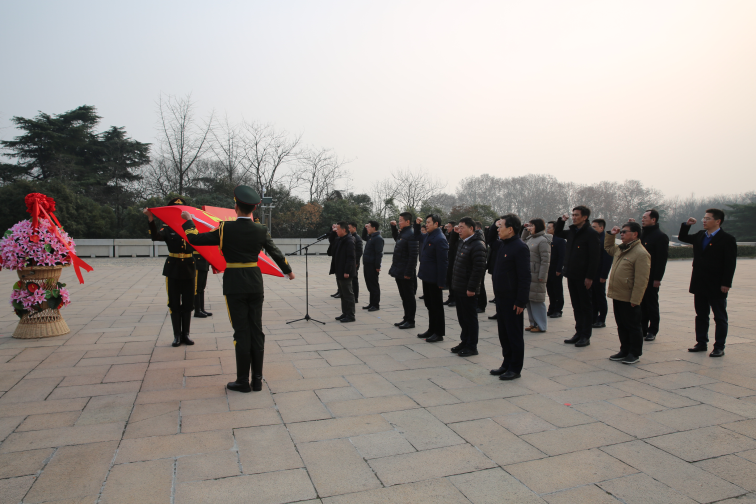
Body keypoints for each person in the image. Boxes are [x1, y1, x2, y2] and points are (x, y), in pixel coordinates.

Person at [180, 186, 294, 393]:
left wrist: (188, 220)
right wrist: (288, 270)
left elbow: (195, 239)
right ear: (253, 209)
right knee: (256, 329)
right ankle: (257, 380)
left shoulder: (225, 228)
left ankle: (243, 381)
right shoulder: (260, 229)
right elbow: (275, 252)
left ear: (236, 206)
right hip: (254, 282)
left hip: (234, 283)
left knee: (241, 331)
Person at [678, 209, 737, 357]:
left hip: (717, 284)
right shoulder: (700, 235)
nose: (704, 221)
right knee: (701, 315)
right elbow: (683, 237)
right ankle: (701, 342)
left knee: (720, 317)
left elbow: (730, 264)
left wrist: (726, 283)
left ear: (718, 221)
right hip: (699, 282)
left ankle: (719, 346)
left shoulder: (727, 239)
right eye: (704, 218)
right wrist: (687, 224)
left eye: (708, 218)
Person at [144, 197, 196, 348]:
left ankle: (186, 334)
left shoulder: (191, 226)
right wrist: (150, 218)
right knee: (174, 303)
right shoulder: (167, 228)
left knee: (188, 303)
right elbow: (155, 237)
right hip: (173, 269)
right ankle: (177, 336)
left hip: (189, 268)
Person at [489, 214, 531, 381]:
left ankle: (515, 367)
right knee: (503, 334)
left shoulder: (520, 247)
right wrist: (496, 221)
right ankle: (506, 363)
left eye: (501, 226)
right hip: (501, 297)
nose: (499, 229)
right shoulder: (502, 245)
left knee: (513, 334)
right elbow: (490, 238)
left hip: (513, 300)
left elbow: (525, 277)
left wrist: (521, 300)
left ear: (511, 229)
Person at [554, 206, 601, 347]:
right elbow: (557, 233)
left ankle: (585, 335)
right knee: (576, 306)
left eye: (576, 215)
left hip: (584, 276)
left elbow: (595, 258)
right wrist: (561, 220)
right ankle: (578, 332)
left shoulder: (591, 234)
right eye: (573, 215)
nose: (574, 217)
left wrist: (590, 277)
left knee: (585, 306)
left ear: (585, 217)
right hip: (571, 274)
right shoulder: (572, 231)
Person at [604, 222, 651, 364]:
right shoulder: (621, 248)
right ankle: (624, 349)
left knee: (633, 326)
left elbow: (642, 280)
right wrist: (611, 235)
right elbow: (608, 248)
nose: (622, 234)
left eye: (624, 232)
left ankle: (634, 353)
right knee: (622, 325)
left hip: (629, 297)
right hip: (618, 294)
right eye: (621, 232)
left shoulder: (641, 253)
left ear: (635, 234)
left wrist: (636, 299)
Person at [450, 217, 487, 356]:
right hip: (459, 287)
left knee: (470, 319)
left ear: (471, 229)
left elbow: (478, 269)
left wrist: (472, 288)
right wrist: (454, 233)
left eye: (462, 227)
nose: (459, 230)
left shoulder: (477, 245)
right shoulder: (464, 242)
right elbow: (451, 246)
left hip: (468, 290)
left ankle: (472, 346)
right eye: (458, 227)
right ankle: (464, 341)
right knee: (462, 318)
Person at [417, 214, 449, 342]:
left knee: (436, 306)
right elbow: (417, 236)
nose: (426, 224)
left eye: (429, 222)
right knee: (429, 304)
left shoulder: (440, 239)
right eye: (426, 222)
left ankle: (439, 333)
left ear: (436, 224)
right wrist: (417, 225)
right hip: (427, 277)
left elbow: (443, 262)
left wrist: (442, 281)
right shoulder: (429, 236)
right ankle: (431, 329)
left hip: (435, 279)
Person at [639, 209, 669, 341]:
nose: (643, 219)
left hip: (651, 277)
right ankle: (642, 328)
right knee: (640, 303)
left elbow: (661, 260)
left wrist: (657, 278)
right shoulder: (641, 234)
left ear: (653, 220)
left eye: (645, 217)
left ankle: (653, 329)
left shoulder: (660, 236)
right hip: (640, 275)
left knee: (651, 304)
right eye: (642, 217)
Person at [389, 213, 419, 329]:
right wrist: (393, 227)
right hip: (399, 269)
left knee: (409, 297)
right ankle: (406, 318)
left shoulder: (411, 234)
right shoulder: (404, 233)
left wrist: (408, 272)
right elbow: (397, 238)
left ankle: (411, 320)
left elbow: (413, 256)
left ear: (407, 222)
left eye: (401, 220)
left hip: (406, 271)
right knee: (404, 296)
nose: (399, 222)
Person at [522, 219, 552, 333]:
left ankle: (541, 325)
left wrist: (542, 275)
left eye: (531, 225)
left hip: (537, 274)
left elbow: (545, 260)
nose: (530, 227)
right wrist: (525, 230)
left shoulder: (543, 241)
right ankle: (533, 323)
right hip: (529, 274)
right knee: (529, 300)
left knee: (537, 300)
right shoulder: (531, 238)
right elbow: (522, 241)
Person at [330, 222, 357, 322]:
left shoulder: (349, 240)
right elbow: (332, 241)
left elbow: (351, 258)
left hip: (346, 272)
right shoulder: (340, 239)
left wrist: (347, 271)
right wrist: (333, 232)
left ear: (344, 230)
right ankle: (345, 313)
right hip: (339, 270)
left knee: (348, 294)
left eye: (337, 229)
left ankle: (350, 315)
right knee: (342, 293)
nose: (336, 231)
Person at [590, 219, 613, 328]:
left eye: (594, 227)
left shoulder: (605, 240)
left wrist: (604, 275)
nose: (592, 229)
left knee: (600, 297)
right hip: (592, 273)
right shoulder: (594, 239)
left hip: (599, 274)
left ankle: (601, 319)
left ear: (601, 228)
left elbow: (607, 260)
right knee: (593, 297)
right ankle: (594, 317)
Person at [361, 221, 384, 311]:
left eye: (369, 227)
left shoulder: (378, 238)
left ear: (374, 228)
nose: (367, 229)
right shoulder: (371, 237)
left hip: (372, 265)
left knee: (374, 285)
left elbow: (379, 253)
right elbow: (363, 237)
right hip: (367, 264)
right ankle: (371, 303)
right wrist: (364, 227)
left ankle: (376, 304)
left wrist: (377, 266)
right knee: (369, 285)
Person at [546, 221, 566, 318]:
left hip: (556, 269)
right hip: (547, 269)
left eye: (550, 228)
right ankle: (551, 308)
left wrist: (559, 269)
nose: (547, 229)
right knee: (550, 290)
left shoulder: (560, 240)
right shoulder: (547, 240)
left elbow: (562, 256)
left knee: (557, 290)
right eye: (547, 227)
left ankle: (558, 310)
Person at [193, 249, 213, 318]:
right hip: (197, 261)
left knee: (202, 287)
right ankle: (197, 311)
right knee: (197, 288)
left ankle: (202, 309)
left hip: (204, 261)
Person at [444, 222, 460, 307]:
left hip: (454, 261)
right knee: (450, 281)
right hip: (449, 261)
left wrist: (454, 232)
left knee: (454, 282)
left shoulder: (457, 236)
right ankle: (451, 297)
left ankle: (454, 299)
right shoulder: (448, 235)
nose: (447, 228)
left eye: (449, 227)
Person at [348, 222, 363, 305]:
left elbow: (359, 251)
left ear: (354, 228)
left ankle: (355, 297)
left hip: (354, 263)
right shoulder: (349, 237)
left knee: (354, 279)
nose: (348, 229)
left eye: (349, 228)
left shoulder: (357, 238)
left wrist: (356, 262)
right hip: (350, 262)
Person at [475, 221, 488, 313]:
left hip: (479, 264)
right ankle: (479, 304)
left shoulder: (479, 236)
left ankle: (482, 305)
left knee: (480, 286)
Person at [327, 225, 341, 299]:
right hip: (335, 258)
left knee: (341, 278)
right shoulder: (336, 237)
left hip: (341, 261)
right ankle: (339, 290)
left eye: (337, 228)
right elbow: (331, 239)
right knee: (337, 276)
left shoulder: (345, 238)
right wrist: (332, 230)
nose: (336, 230)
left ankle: (342, 292)